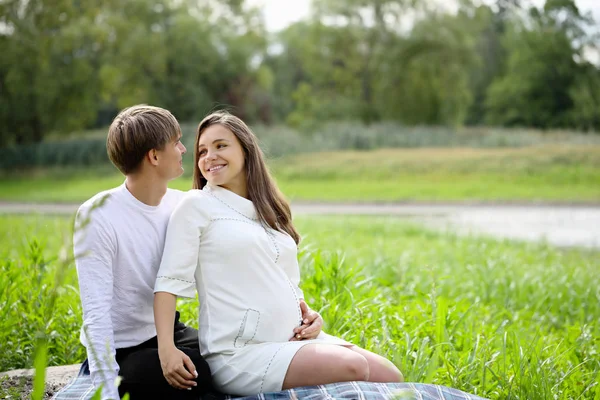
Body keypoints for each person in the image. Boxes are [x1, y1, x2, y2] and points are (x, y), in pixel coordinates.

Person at [153, 111, 403, 396]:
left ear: (246, 150)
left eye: (221, 146)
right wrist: (166, 349)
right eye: (202, 151)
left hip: (292, 341)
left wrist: (310, 317)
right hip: (240, 354)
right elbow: (168, 281)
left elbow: (286, 284)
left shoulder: (268, 211)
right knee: (353, 366)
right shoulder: (196, 205)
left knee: (390, 374)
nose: (209, 156)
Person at [73, 105, 214, 399]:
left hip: (167, 332)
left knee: (222, 361)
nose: (184, 149)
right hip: (124, 348)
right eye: (176, 142)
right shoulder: (97, 216)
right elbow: (95, 312)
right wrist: (105, 387)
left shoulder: (183, 205)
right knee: (197, 373)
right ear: (154, 156)